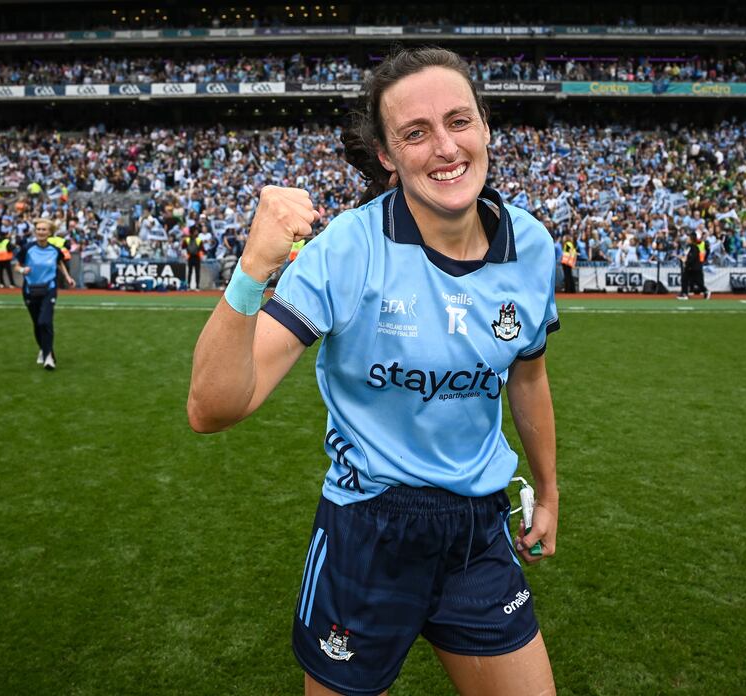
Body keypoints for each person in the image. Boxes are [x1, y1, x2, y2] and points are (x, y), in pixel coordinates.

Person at [189, 47, 559, 696]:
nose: (445, 147)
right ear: (387, 155)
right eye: (416, 133)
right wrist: (252, 270)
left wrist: (549, 495)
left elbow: (527, 378)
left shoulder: (529, 245)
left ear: (486, 125)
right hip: (369, 530)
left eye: (458, 121)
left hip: (479, 532)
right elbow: (214, 406)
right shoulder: (347, 250)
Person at [13, 218, 76, 370]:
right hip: (30, 290)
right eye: (38, 229)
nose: (41, 232)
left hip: (49, 288)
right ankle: (44, 349)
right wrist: (22, 270)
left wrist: (67, 277)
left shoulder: (54, 249)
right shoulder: (27, 248)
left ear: (50, 233)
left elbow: (59, 262)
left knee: (45, 321)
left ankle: (49, 357)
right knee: (37, 323)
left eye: (44, 230)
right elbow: (16, 265)